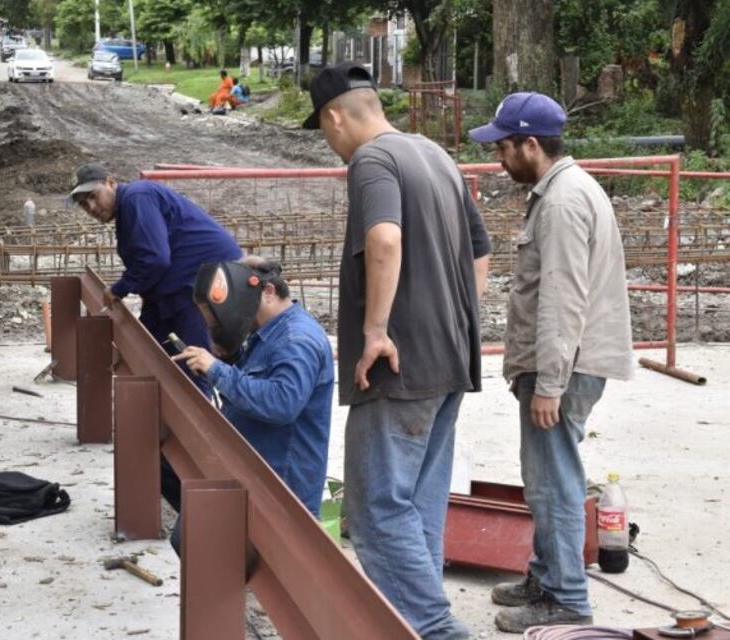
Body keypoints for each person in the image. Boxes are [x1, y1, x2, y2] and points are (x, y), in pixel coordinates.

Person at [304, 62, 491, 640]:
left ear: (335, 116)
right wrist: (459, 319)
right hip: (450, 357)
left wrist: (376, 331)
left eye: (324, 130)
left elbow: (384, 237)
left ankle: (433, 629)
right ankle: (419, 620)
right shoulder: (434, 154)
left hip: (399, 364)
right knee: (421, 503)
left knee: (377, 508)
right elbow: (480, 250)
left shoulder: (372, 160)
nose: (330, 143)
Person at [469, 92, 633, 633]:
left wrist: (550, 385)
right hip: (563, 363)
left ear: (530, 144)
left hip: (562, 365)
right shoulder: (566, 188)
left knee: (554, 482)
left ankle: (565, 598)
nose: (499, 158)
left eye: (504, 147)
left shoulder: (562, 203)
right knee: (545, 477)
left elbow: (562, 299)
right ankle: (546, 575)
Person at [67, 163, 242, 513]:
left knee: (192, 373)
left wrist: (119, 289)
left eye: (94, 196)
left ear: (111, 182)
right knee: (150, 350)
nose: (91, 207)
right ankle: (169, 448)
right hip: (176, 289)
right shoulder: (130, 208)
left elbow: (155, 259)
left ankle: (201, 461)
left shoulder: (138, 198)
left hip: (195, 288)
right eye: (84, 203)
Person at [174, 257, 334, 516]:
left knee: (200, 539)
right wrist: (228, 357)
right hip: (256, 474)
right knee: (189, 536)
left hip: (281, 487)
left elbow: (282, 403)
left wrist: (217, 370)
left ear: (268, 291)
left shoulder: (296, 341)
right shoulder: (268, 332)